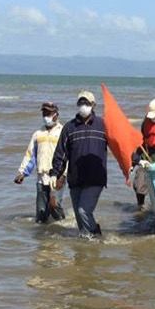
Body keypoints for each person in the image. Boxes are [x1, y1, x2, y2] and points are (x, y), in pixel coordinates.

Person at [50, 90, 108, 237]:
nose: (83, 106)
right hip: (75, 180)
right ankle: (87, 252)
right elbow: (61, 153)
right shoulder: (69, 127)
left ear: (93, 105)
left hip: (96, 178)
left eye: (87, 103)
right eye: (81, 103)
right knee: (79, 217)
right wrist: (55, 173)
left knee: (84, 211)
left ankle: (95, 237)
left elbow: (120, 144)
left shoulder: (103, 125)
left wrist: (134, 162)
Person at [14, 102, 66, 223]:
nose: (45, 116)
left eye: (48, 113)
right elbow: (30, 155)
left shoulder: (63, 132)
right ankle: (43, 237)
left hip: (57, 176)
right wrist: (22, 173)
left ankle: (63, 227)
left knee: (54, 205)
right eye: (44, 113)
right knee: (41, 213)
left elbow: (68, 156)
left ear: (56, 115)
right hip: (41, 177)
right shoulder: (38, 133)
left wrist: (64, 176)